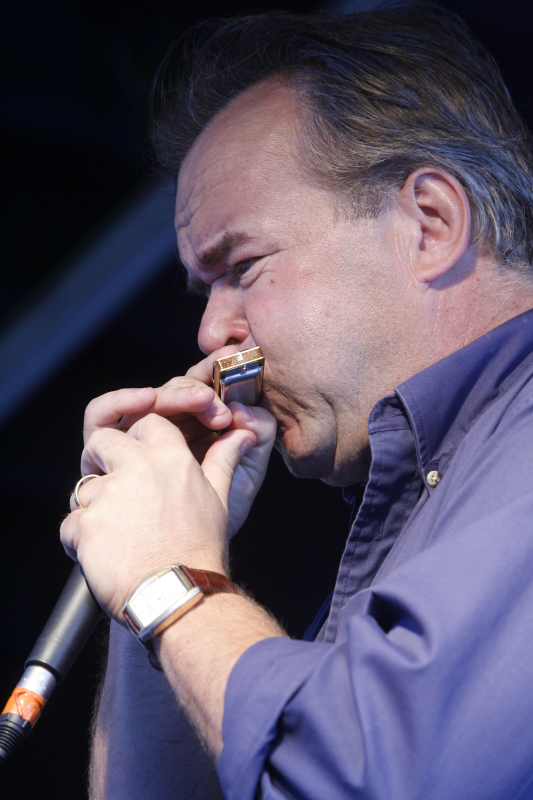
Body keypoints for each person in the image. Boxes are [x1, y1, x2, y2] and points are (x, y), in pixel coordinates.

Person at [60, 5, 533, 799]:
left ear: (430, 223)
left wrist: (170, 578)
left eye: (242, 265)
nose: (211, 330)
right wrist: (141, 582)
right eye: (202, 288)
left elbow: (373, 780)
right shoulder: (421, 510)